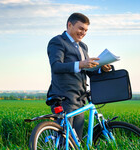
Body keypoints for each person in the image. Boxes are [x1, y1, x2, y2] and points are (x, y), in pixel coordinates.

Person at [47, 12, 111, 141]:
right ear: (69, 25)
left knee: (77, 141)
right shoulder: (58, 41)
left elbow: (86, 69)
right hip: (63, 97)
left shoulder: (83, 46)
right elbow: (56, 66)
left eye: (86, 30)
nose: (83, 33)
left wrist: (101, 68)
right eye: (80, 28)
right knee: (64, 140)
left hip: (80, 98)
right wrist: (81, 64)